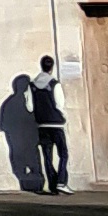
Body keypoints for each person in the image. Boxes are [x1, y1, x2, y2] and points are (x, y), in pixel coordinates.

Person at [32, 53, 70, 193]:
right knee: (63, 154)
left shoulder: (32, 85)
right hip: (56, 124)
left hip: (41, 124)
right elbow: (60, 104)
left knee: (47, 156)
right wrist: (64, 117)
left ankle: (52, 185)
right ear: (52, 67)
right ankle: (61, 181)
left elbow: (30, 106)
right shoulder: (54, 84)